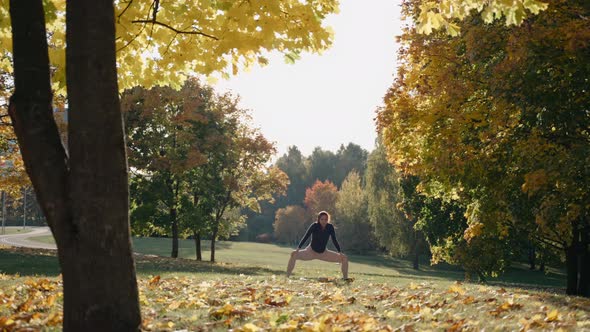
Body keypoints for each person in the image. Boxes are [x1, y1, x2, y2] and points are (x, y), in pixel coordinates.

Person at [286, 211, 349, 279]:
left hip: (323, 253)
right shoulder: (314, 226)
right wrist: (297, 250)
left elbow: (334, 240)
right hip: (310, 252)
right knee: (293, 255)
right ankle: (287, 276)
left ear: (328, 220)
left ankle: (345, 278)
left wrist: (340, 253)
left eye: (325, 219)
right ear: (318, 219)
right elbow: (306, 237)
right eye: (322, 219)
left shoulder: (330, 227)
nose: (324, 221)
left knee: (344, 258)